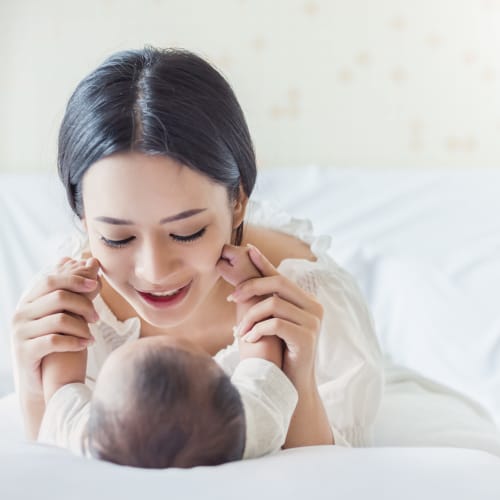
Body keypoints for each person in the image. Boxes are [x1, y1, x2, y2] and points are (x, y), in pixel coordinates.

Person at [11, 47, 384, 458]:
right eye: (118, 238)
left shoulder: (314, 296)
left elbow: (334, 474)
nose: (154, 272)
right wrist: (32, 381)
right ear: (83, 219)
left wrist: (297, 376)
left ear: (239, 199)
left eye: (187, 232)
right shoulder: (63, 314)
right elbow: (51, 460)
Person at [39, 246, 288, 468]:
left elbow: (62, 381)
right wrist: (249, 284)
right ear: (233, 397)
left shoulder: (78, 437)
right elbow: (261, 359)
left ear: (93, 418)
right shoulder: (253, 429)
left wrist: (72, 294)